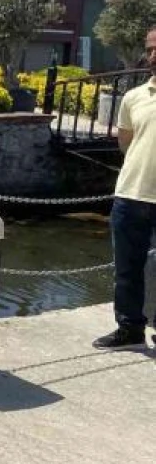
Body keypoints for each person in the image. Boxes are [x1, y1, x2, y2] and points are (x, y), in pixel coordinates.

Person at [92, 25, 156, 350]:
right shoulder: (133, 97)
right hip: (131, 195)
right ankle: (129, 328)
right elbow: (126, 143)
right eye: (150, 49)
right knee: (127, 269)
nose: (153, 55)